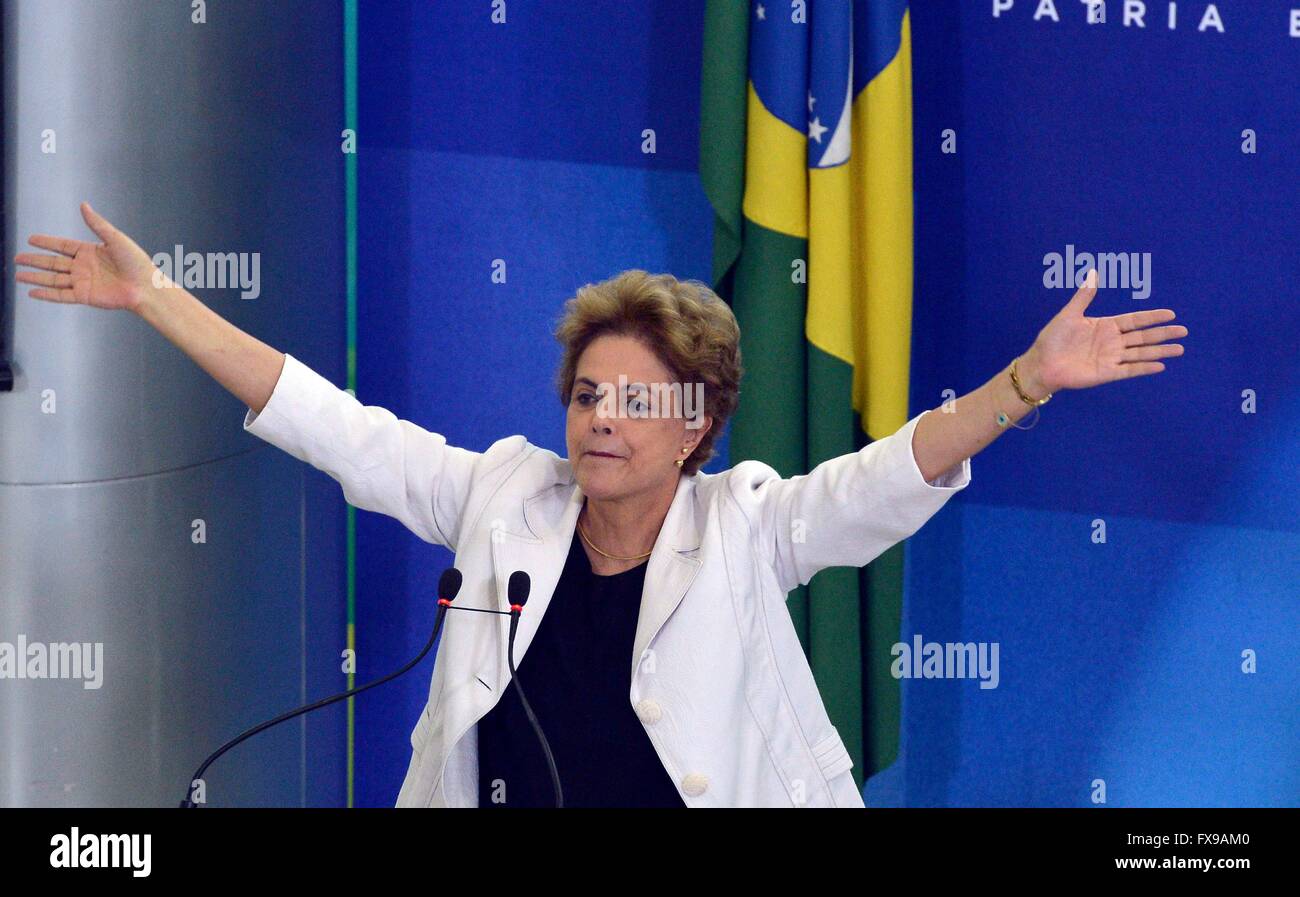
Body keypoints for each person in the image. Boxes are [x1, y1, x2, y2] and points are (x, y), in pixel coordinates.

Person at [14, 203, 1187, 807]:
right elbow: (331, 423)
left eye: (636, 398)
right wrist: (160, 298)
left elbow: (892, 475)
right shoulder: (501, 496)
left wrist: (1025, 383)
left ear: (697, 426)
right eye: (586, 393)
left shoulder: (745, 525)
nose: (601, 419)